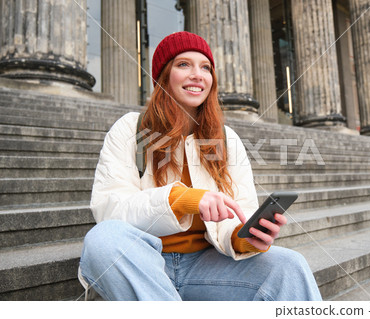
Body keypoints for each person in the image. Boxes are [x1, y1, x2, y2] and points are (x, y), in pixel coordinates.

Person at [79, 31, 322, 301]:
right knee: (104, 239)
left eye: (205, 67)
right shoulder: (130, 128)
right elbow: (109, 208)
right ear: (164, 75)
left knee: (291, 265)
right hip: (143, 264)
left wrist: (244, 238)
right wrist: (181, 199)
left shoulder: (227, 140)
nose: (198, 75)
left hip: (205, 267)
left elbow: (242, 208)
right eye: (184, 65)